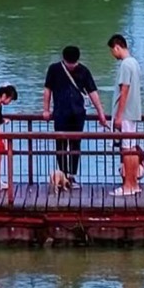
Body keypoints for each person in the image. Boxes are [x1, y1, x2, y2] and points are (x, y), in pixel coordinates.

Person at [41, 45, 106, 188]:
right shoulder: (54, 69)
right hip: (60, 113)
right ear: (63, 59)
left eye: (74, 63)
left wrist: (100, 112)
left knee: (75, 145)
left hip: (78, 114)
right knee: (61, 145)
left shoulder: (83, 71)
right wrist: (46, 109)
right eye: (69, 63)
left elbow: (92, 92)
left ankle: (72, 176)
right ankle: (62, 175)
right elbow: (47, 90)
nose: (72, 66)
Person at [108, 34, 144, 198]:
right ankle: (134, 184)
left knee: (127, 149)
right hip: (134, 112)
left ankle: (128, 185)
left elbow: (124, 90)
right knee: (131, 148)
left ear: (117, 47)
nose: (112, 54)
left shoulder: (125, 65)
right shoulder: (135, 63)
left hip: (127, 114)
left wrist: (119, 115)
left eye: (112, 50)